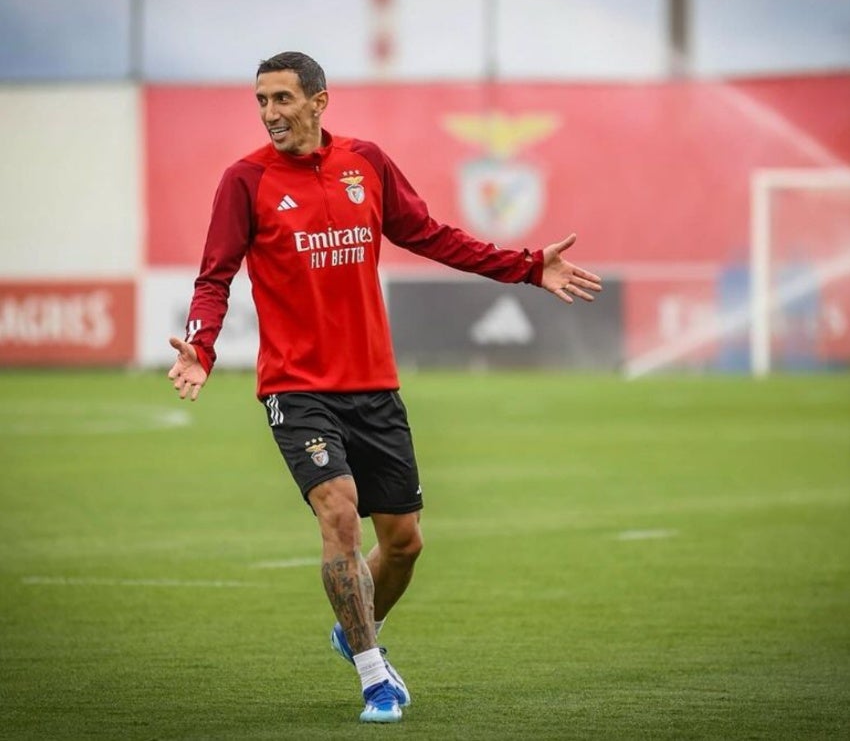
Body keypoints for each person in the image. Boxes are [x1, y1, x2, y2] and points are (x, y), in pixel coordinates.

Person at [167, 51, 602, 724]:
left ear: (319, 101)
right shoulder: (245, 181)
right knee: (338, 514)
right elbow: (213, 276)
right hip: (296, 387)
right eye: (261, 101)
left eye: (283, 99)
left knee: (404, 542)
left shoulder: (365, 163)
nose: (271, 113)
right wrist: (200, 346)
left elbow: (429, 235)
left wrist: (523, 267)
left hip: (372, 384)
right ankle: (376, 676)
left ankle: (352, 627)